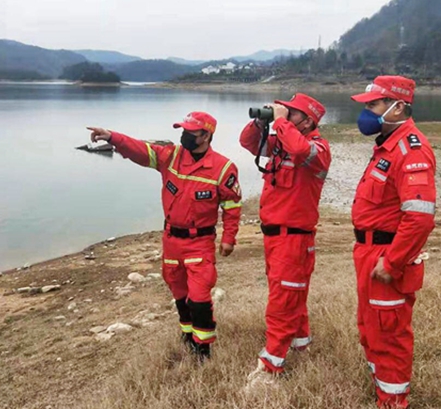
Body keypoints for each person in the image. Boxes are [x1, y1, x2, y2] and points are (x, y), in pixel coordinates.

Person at [87, 112, 242, 359]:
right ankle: (187, 335)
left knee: (199, 297)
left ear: (206, 136)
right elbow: (140, 150)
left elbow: (232, 206)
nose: (184, 135)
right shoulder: (170, 157)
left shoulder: (223, 168)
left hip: (199, 242)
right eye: (183, 130)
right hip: (171, 241)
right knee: (179, 293)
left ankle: (202, 349)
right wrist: (112, 137)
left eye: (190, 132)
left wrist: (228, 238)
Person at [350, 76, 436, 408]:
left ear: (397, 107)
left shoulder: (411, 150)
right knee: (370, 328)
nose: (366, 113)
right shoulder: (387, 146)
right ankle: (382, 391)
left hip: (387, 255)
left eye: (373, 105)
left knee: (389, 333)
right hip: (369, 252)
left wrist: (393, 261)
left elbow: (420, 217)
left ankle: (394, 401)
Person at [239, 93, 331, 385]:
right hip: (274, 236)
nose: (285, 115)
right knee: (292, 295)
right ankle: (301, 345)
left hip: (295, 239)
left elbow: (301, 150)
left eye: (292, 113)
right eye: (285, 110)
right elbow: (247, 142)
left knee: (282, 301)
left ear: (308, 121)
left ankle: (270, 367)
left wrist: (280, 122)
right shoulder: (282, 143)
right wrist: (260, 122)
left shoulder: (318, 148)